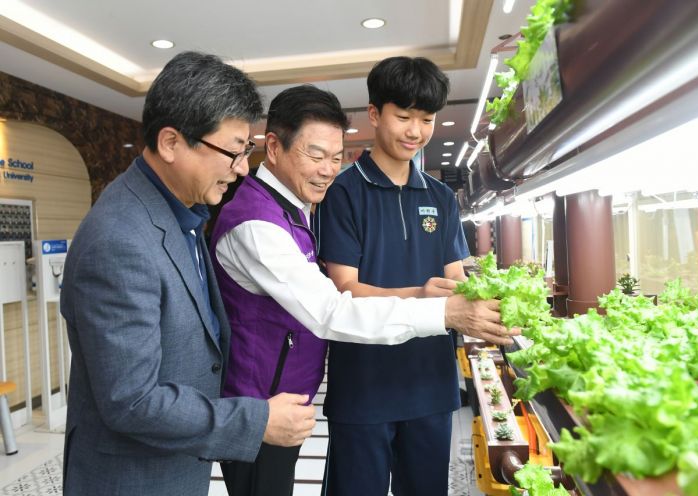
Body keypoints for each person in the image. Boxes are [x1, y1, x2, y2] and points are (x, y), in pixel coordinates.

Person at [209, 85, 517, 495]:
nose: (327, 169)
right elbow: (333, 310)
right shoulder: (257, 223)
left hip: (286, 400)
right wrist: (443, 312)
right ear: (274, 147)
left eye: (336, 158)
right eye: (315, 155)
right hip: (261, 405)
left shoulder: (292, 209)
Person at [60, 52, 316, 496]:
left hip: (174, 464)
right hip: (132, 479)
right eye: (232, 151)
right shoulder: (119, 240)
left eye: (245, 151)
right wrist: (257, 420)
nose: (241, 169)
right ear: (171, 142)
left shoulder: (182, 212)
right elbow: (132, 400)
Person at [315, 56, 501, 495]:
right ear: (375, 114)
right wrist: (422, 296)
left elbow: (457, 277)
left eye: (426, 119)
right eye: (403, 116)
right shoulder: (342, 193)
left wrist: (491, 302)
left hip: (430, 384)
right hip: (364, 385)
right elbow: (344, 290)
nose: (415, 131)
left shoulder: (441, 196)